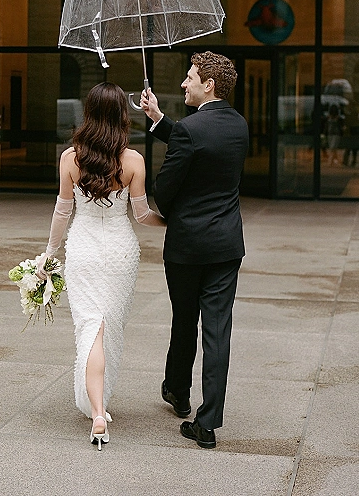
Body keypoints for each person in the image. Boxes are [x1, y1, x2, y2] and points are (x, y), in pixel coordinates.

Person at [36, 82, 165, 450]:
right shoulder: (134, 161)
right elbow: (141, 215)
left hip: (84, 251)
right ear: (122, 117)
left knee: (91, 327)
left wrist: (49, 252)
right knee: (108, 326)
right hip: (121, 253)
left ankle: (96, 411)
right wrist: (172, 221)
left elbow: (63, 210)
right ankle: (99, 405)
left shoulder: (70, 159)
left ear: (88, 114)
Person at [140, 51, 249, 449]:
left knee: (184, 319)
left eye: (189, 78)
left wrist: (166, 209)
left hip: (187, 246)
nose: (184, 83)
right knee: (217, 331)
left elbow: (164, 193)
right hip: (225, 246)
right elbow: (202, 143)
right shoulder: (238, 125)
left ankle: (178, 391)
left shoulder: (189, 129)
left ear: (209, 85)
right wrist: (158, 120)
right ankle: (208, 423)